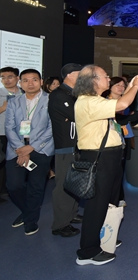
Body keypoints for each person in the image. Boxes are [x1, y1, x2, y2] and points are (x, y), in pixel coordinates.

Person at [73, 65, 138, 266]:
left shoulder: (97, 100)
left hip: (109, 156)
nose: (108, 79)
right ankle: (87, 252)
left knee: (109, 201)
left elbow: (119, 105)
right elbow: (123, 104)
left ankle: (105, 238)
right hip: (99, 157)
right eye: (105, 76)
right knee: (97, 204)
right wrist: (135, 86)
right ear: (93, 80)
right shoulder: (88, 101)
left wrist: (131, 86)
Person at [5, 69, 54, 236]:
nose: (30, 83)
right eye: (25, 80)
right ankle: (28, 211)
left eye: (34, 79)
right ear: (20, 83)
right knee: (13, 186)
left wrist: (32, 147)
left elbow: (52, 128)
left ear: (41, 82)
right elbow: (9, 127)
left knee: (36, 186)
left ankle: (30, 221)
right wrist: (21, 149)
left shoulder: (50, 100)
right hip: (17, 148)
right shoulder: (14, 101)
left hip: (41, 148)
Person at [48, 63, 83, 238]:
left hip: (75, 145)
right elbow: (78, 115)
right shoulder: (59, 95)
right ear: (69, 75)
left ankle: (71, 213)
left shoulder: (72, 94)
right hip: (65, 146)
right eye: (80, 74)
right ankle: (60, 224)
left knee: (74, 183)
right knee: (63, 186)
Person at [102, 77, 138, 207]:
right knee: (109, 171)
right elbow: (123, 115)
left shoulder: (127, 100)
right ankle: (109, 199)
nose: (120, 87)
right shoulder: (104, 101)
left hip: (124, 135)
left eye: (123, 86)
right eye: (117, 85)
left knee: (120, 168)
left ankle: (119, 196)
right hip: (109, 140)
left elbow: (133, 115)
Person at [0, 67, 23, 199]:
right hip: (2, 134)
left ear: (17, 78)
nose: (6, 80)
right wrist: (3, 108)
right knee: (2, 162)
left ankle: (12, 187)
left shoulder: (24, 92)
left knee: (16, 161)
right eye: (3, 77)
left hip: (20, 134)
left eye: (9, 77)